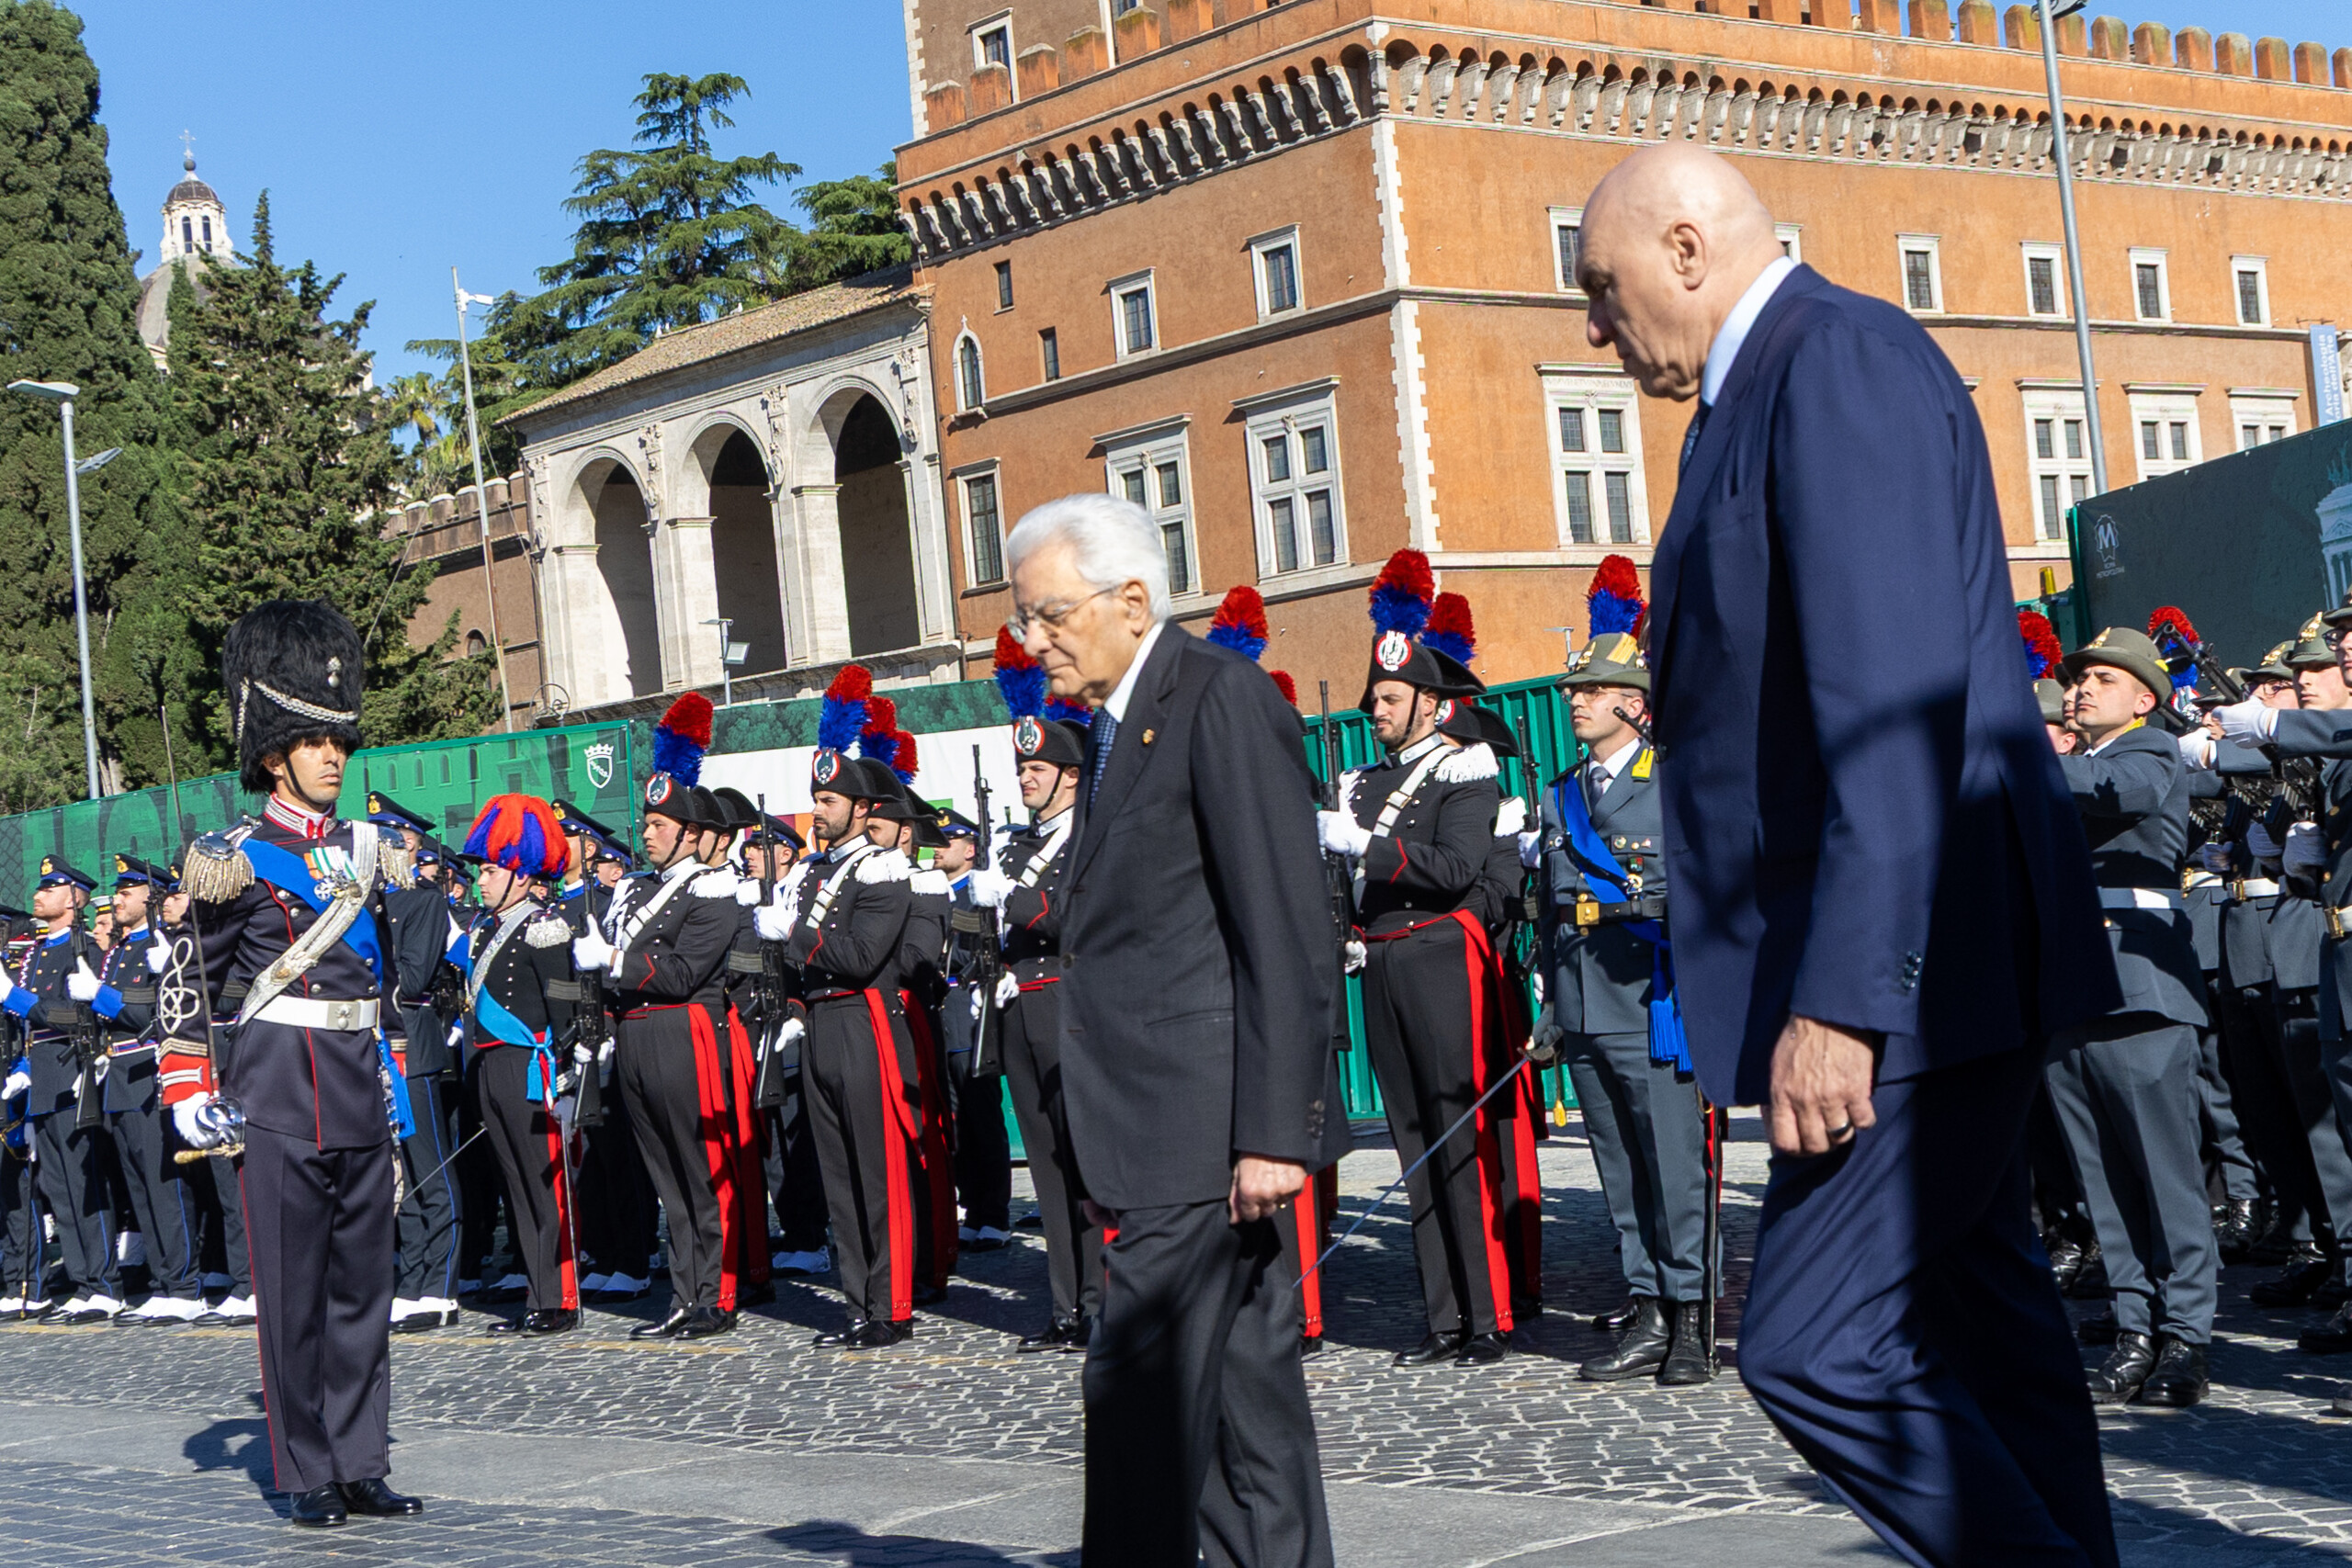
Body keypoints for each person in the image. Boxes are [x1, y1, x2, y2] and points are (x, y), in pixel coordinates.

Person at [1579, 145, 2119, 1565]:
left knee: (1811, 1339)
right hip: (1932, 968)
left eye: (1603, 284)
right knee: (1984, 1317)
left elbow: (1890, 711)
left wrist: (1845, 1000)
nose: (1595, 323)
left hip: (1918, 975)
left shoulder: (1836, 366)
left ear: (1687, 249)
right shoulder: (1752, 397)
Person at [1007, 491, 1347, 1567]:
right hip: (1159, 1119)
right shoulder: (1112, 729)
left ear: (1133, 598)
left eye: (1051, 614)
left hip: (1197, 1128)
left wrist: (1273, 1133)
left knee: (1139, 1394)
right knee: (1249, 1414)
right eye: (1025, 618)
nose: (1034, 641)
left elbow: (1283, 924)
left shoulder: (1216, 699)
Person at [156, 599, 423, 1528]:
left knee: (363, 1292)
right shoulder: (232, 859)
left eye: (339, 746)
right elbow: (191, 976)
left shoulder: (365, 853)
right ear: (275, 755)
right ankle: (306, 1468)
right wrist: (187, 1079)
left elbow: (378, 979)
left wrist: (392, 1075)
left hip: (353, 1084)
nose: (332, 760)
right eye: (314, 746)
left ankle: (362, 1459)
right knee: (294, 1294)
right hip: (274, 1087)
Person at [1319, 549, 1519, 1368]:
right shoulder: (1361, 780)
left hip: (1441, 961)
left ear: (1431, 705)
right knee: (1412, 1143)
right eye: (1375, 701)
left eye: (1392, 700)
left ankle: (1488, 1314)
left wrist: (1365, 847)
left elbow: (1454, 870)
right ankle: (1443, 1316)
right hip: (1385, 967)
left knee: (1457, 1136)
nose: (1379, 713)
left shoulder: (1465, 773)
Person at [1532, 613, 1711, 1386]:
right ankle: (1646, 1309)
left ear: (1634, 705)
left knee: (1673, 1167)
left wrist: (1643, 905)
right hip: (1582, 1007)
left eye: (1595, 689)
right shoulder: (1558, 793)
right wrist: (1548, 1013)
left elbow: (1704, 890)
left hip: (1650, 1003)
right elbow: (1547, 915)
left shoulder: (1672, 783)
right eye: (1575, 689)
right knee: (1618, 1168)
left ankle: (1692, 1317)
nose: (1577, 701)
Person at [2044, 629, 2215, 1406]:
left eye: (2101, 679)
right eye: (2077, 679)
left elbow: (2119, 793)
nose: (2080, 690)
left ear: (2144, 697)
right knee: (2102, 1181)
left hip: (2141, 985)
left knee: (2165, 1175)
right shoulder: (2063, 771)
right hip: (2071, 987)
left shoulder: (2150, 752)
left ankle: (2186, 1334)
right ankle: (2134, 1325)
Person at [571, 702, 741, 1341]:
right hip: (636, 1035)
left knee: (699, 1169)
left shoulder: (712, 890)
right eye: (647, 821)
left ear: (694, 833)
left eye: (662, 823)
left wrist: (613, 958)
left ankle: (716, 1295)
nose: (649, 832)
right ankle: (684, 1292)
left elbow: (680, 972)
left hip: (682, 1030)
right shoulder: (635, 889)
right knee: (665, 1176)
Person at [2213, 601, 2352, 1354]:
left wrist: (2261, 729)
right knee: (2304, 1120)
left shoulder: (2327, 736)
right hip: (2319, 941)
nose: (2300, 685)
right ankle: (2330, 1255)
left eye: (2311, 670)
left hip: (2317, 941)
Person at [756, 745, 922, 1348]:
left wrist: (793, 933)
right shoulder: (815, 872)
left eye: (828, 801)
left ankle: (893, 1304)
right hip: (822, 1026)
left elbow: (860, 956)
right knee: (840, 1178)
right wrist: (792, 1003)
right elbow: (803, 970)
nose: (817, 811)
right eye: (817, 799)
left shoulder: (882, 868)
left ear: (861, 806)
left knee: (877, 1172)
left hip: (864, 1021)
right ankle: (859, 1304)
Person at [967, 710, 1100, 1350]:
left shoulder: (1089, 838)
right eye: (1022, 769)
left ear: (1071, 777)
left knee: (1086, 1162)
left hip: (1071, 1007)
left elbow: (1077, 915)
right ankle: (1066, 1304)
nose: (1026, 779)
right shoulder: (1014, 845)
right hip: (1018, 1009)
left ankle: (1103, 1302)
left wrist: (1011, 900)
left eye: (1037, 769)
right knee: (1045, 1165)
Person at [453, 795, 583, 1337]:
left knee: (544, 1183)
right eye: (481, 870)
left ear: (522, 875)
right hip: (490, 1066)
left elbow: (566, 1010)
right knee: (515, 1183)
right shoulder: (483, 929)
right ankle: (536, 1293)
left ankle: (560, 1298)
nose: (481, 881)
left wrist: (571, 1075)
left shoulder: (545, 929)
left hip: (532, 1068)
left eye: (491, 870)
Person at [0, 856, 121, 1323]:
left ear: (73, 900)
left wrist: (16, 998)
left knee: (83, 1180)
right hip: (44, 1078)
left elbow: (80, 1016)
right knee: (58, 1186)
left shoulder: (82, 947)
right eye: (39, 886)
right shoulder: (34, 953)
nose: (38, 893)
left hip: (75, 1072)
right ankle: (82, 1280)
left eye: (50, 888)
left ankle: (103, 1284)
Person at [550, 800, 655, 1303]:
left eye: (564, 837)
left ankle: (632, 1258)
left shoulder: (603, 902)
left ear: (588, 848)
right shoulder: (557, 906)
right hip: (572, 1044)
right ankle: (604, 1251)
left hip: (604, 1036)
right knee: (589, 1158)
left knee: (618, 1154)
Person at [94, 856, 206, 1325]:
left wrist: (101, 998)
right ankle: (163, 1281)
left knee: (165, 1185)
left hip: (148, 1073)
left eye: (127, 892)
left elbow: (154, 1018)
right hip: (117, 1077)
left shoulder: (161, 946)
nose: (118, 900)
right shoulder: (120, 950)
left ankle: (184, 1284)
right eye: (118, 892)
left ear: (150, 897)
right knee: (139, 1186)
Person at [370, 791, 467, 1333]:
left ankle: (442, 1284)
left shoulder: (425, 900)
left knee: (431, 1167)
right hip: (378, 1049)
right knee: (398, 1172)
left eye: (392, 839)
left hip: (413, 1044)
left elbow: (412, 974)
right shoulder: (369, 904)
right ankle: (411, 1280)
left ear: (409, 846)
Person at [933, 807, 1013, 1254]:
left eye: (949, 842)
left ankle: (995, 1214)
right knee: (955, 1120)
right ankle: (971, 1207)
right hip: (942, 1015)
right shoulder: (934, 894)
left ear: (970, 849)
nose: (939, 848)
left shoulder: (977, 893)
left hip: (970, 1012)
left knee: (982, 1117)